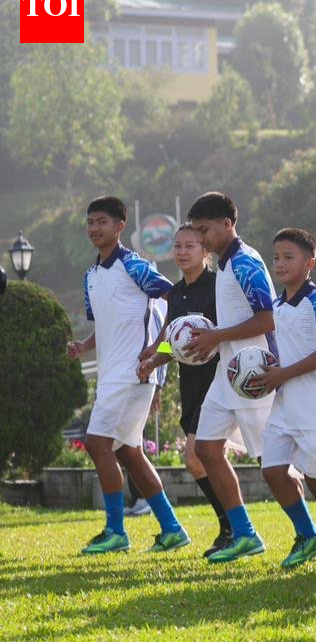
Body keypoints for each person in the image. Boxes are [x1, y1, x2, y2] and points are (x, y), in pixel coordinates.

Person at [68, 196, 188, 555]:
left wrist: (159, 348)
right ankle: (172, 529)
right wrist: (85, 346)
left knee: (97, 444)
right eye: (90, 222)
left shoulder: (134, 265)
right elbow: (107, 324)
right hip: (113, 376)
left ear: (120, 226)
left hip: (131, 375)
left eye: (102, 222)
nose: (94, 228)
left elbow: (175, 298)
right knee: (129, 453)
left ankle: (116, 532)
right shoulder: (91, 276)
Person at [253, 227, 316, 570]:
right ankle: (309, 535)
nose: (280, 264)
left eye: (289, 257)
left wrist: (283, 374)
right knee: (272, 470)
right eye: (276, 258)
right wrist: (266, 372)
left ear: (309, 263)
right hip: (285, 404)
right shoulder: (277, 305)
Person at [183, 192, 278, 564]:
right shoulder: (222, 264)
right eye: (195, 231)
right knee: (205, 449)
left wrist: (217, 336)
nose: (199, 239)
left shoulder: (245, 262)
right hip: (227, 374)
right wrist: (209, 342)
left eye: (204, 230)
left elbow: (268, 319)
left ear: (227, 224)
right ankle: (244, 533)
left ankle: (313, 535)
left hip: (254, 373)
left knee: (274, 463)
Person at [137, 223, 231, 556]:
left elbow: (232, 330)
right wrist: (153, 360)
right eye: (177, 246)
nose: (182, 252)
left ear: (205, 251)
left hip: (218, 382)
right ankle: (232, 527)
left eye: (190, 246)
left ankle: (234, 528)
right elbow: (170, 342)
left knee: (196, 457)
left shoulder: (219, 286)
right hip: (190, 384)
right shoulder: (175, 294)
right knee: (199, 460)